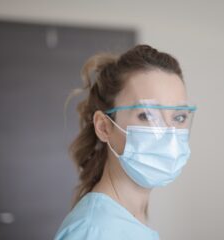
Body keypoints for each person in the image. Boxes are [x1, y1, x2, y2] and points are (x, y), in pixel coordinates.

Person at [54, 44, 197, 240]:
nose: (169, 135)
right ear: (104, 127)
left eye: (179, 117)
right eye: (147, 115)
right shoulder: (92, 231)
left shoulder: (130, 218)